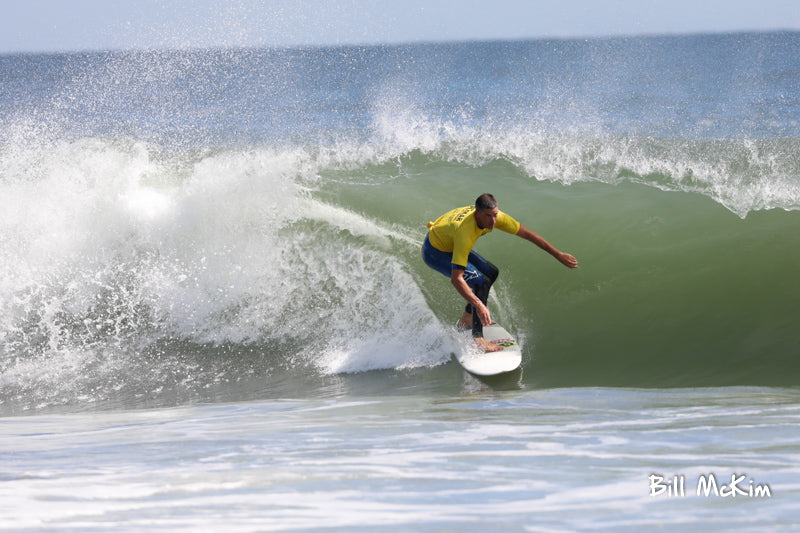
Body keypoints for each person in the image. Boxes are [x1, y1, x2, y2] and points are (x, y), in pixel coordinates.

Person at [422, 193, 578, 352]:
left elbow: (528, 234)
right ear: (478, 214)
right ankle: (478, 339)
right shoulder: (465, 232)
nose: (493, 221)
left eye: (495, 215)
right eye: (488, 216)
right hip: (435, 252)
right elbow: (456, 279)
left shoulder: (495, 217)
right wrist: (479, 305)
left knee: (492, 272)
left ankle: (466, 319)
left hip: (449, 242)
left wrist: (557, 254)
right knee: (479, 281)